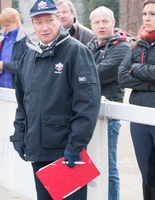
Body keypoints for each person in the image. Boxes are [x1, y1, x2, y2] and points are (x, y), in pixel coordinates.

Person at [10, 0, 101, 199]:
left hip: (65, 151)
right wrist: (19, 135)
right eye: (39, 22)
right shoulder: (28, 57)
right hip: (37, 148)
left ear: (58, 19)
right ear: (32, 24)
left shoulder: (76, 52)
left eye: (49, 20)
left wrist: (75, 146)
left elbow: (87, 104)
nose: (44, 27)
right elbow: (22, 103)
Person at [118, 0, 155, 199]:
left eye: (152, 14)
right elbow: (122, 76)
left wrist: (137, 69)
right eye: (144, 14)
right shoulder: (137, 43)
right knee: (148, 177)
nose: (146, 18)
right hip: (140, 119)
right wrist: (153, 83)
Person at [87, 6, 130, 200]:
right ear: (91, 25)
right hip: (88, 114)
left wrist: (79, 75)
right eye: (96, 22)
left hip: (109, 115)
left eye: (105, 21)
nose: (101, 25)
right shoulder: (89, 46)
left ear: (113, 22)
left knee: (109, 165)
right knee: (88, 163)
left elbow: (99, 73)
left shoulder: (122, 47)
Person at [0, 7, 28, 88]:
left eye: (7, 25)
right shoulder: (2, 39)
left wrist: (5, 65)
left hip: (17, 89)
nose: (5, 28)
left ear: (16, 22)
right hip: (0, 87)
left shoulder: (25, 41)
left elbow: (26, 67)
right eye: (3, 26)